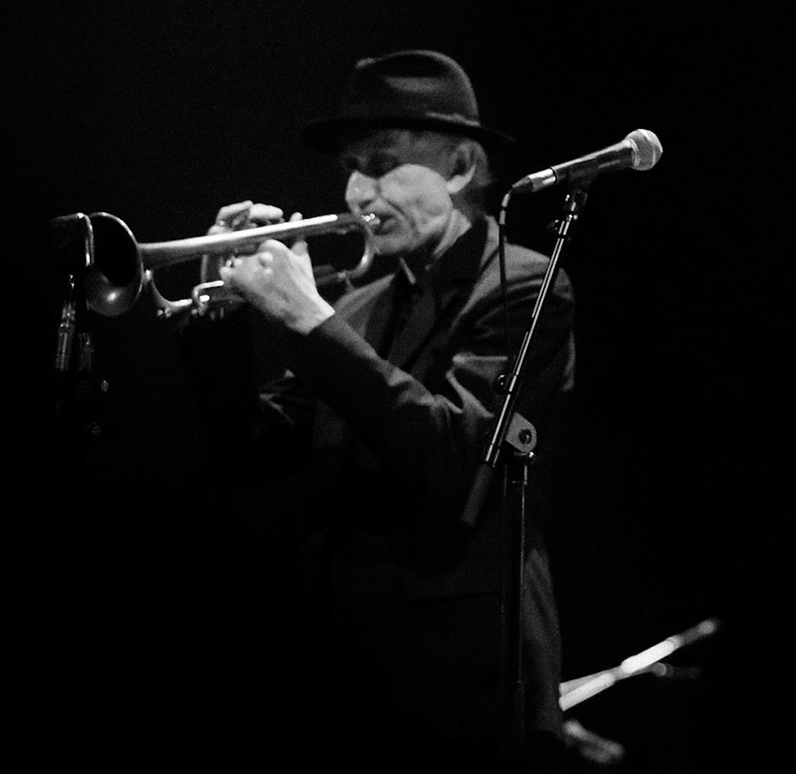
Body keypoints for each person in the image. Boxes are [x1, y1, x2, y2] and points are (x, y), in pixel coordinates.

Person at [185, 49, 578, 767]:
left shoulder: (522, 286)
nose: (359, 190)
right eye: (351, 168)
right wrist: (221, 318)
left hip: (465, 682)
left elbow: (457, 462)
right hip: (348, 675)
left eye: (383, 162)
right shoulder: (360, 305)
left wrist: (308, 319)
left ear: (460, 168)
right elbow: (249, 454)